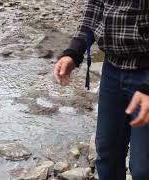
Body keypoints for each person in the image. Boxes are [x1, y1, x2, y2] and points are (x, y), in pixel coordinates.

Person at [53, 0, 149, 180]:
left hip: (145, 73)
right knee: (107, 152)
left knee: (143, 167)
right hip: (112, 70)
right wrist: (73, 53)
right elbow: (94, 11)